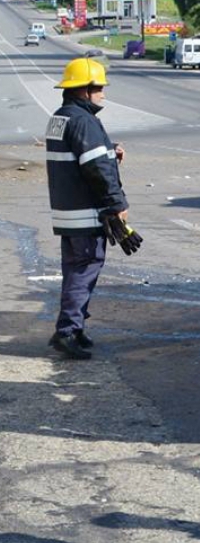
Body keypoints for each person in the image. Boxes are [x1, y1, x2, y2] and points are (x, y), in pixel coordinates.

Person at [46, 57, 138, 360]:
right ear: (83, 90)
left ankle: (74, 326)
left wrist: (111, 151)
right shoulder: (85, 121)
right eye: (98, 87)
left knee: (74, 273)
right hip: (85, 214)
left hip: (67, 213)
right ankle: (68, 332)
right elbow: (97, 168)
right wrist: (116, 205)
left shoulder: (61, 117)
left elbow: (83, 157)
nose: (103, 93)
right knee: (83, 272)